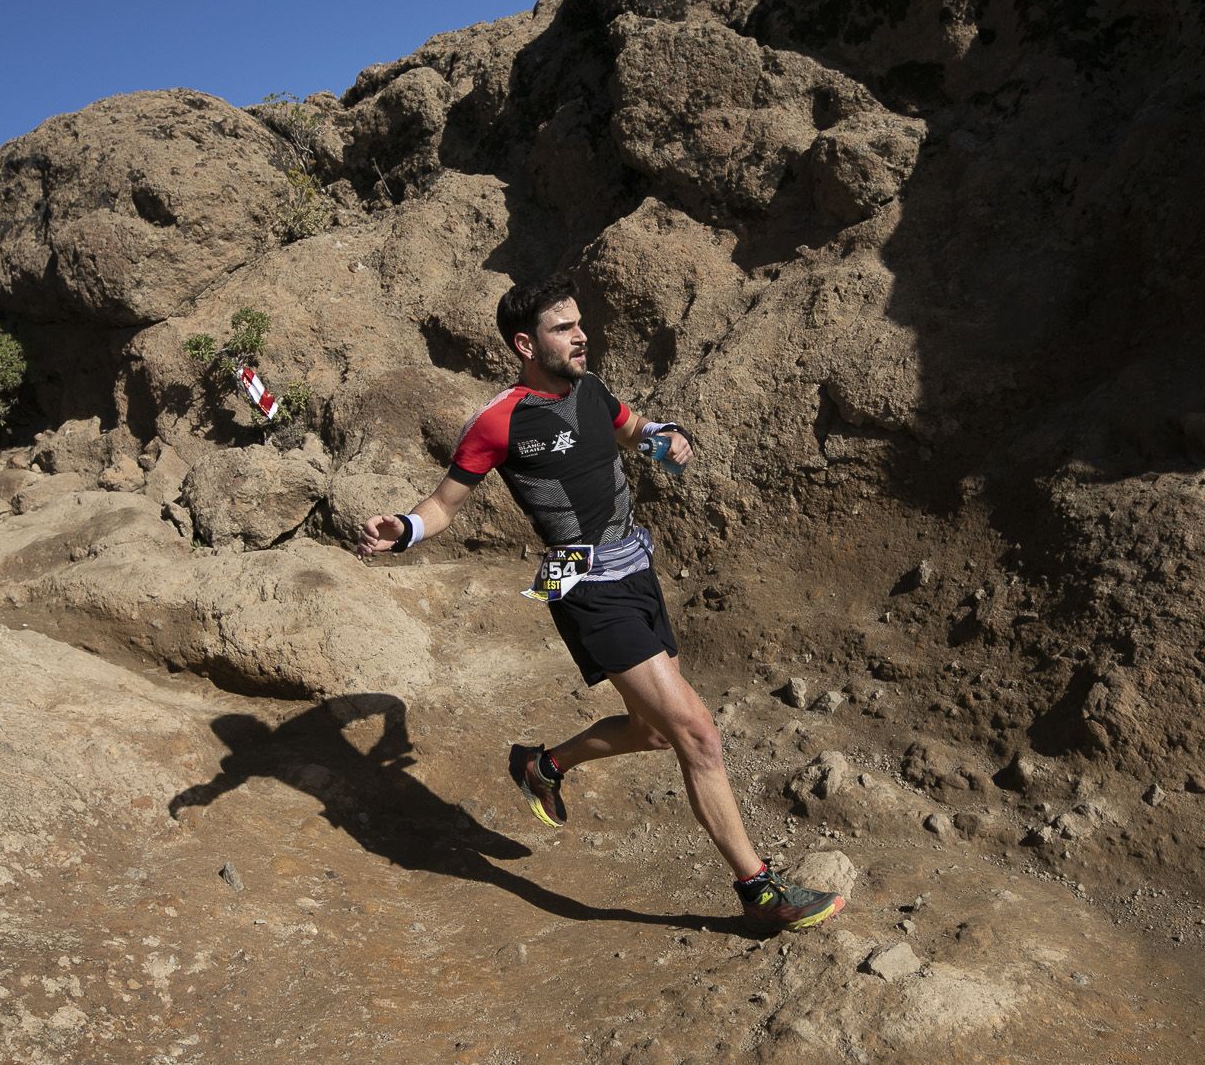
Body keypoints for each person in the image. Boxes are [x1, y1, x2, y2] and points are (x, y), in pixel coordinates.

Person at [357, 276, 844, 934]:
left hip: (635, 567)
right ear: (526, 343)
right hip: (581, 582)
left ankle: (544, 764)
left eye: (580, 323)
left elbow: (631, 428)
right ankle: (762, 893)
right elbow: (443, 503)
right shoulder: (500, 419)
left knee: (649, 729)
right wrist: (405, 530)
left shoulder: (592, 389)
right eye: (565, 328)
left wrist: (663, 438)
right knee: (697, 733)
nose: (582, 334)